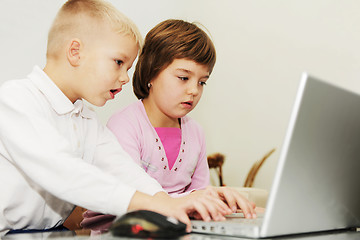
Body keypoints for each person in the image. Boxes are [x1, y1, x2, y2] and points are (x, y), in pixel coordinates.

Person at [0, 1, 238, 236]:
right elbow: (63, 171)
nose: (125, 77)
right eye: (118, 62)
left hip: (52, 233)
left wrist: (165, 201)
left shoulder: (87, 120)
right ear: (76, 52)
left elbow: (125, 170)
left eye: (128, 67)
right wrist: (161, 205)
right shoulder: (15, 100)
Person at [81, 19, 257, 233]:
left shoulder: (196, 133)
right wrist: (194, 200)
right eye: (184, 78)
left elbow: (199, 197)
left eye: (202, 82)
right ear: (151, 73)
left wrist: (219, 203)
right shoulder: (124, 125)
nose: (194, 90)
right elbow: (131, 200)